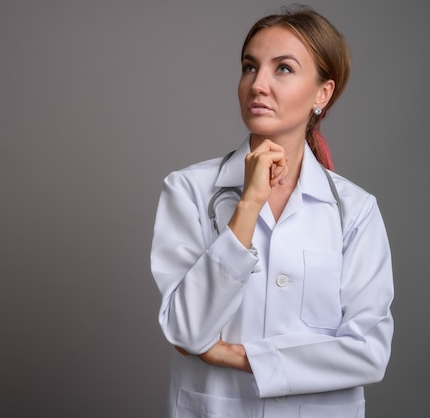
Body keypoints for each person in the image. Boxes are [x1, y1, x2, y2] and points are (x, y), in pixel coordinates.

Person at [150, 5, 393, 418]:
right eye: (249, 67)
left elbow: (368, 352)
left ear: (323, 93)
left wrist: (239, 356)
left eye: (283, 69)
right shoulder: (189, 190)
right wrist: (248, 204)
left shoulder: (355, 211)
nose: (257, 84)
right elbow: (187, 331)